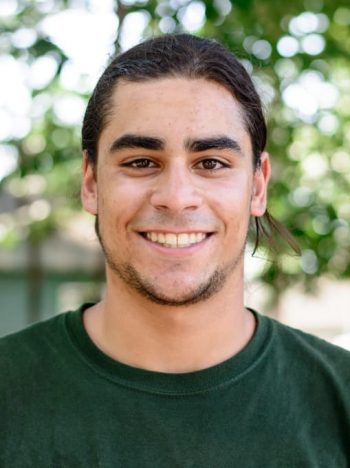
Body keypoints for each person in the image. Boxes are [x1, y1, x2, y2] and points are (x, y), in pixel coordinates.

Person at [1, 34, 350, 467]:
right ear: (90, 182)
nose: (177, 197)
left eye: (211, 163)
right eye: (141, 161)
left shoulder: (340, 400)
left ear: (258, 185)